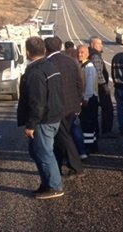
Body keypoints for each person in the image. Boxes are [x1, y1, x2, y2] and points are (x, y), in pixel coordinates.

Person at [17, 36, 65, 199]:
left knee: (44, 153)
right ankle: (47, 183)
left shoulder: (36, 72)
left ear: (28, 52)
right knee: (36, 151)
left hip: (44, 120)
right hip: (53, 115)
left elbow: (37, 102)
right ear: (44, 50)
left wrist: (31, 124)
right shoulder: (50, 66)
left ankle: (55, 186)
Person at [45, 36, 85, 177]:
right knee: (61, 137)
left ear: (46, 49)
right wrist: (79, 102)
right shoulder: (71, 61)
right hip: (72, 106)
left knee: (64, 137)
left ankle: (76, 167)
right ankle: (58, 163)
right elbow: (79, 83)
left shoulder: (48, 63)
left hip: (58, 107)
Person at [89, 36, 115, 138]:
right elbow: (98, 73)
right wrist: (105, 86)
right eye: (99, 44)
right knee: (107, 108)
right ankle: (106, 130)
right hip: (99, 87)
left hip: (95, 86)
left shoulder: (93, 54)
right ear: (93, 45)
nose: (101, 46)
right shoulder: (95, 56)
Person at [78, 44, 99, 155]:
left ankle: (89, 146)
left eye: (82, 52)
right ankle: (92, 145)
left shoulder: (88, 66)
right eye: (79, 52)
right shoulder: (82, 65)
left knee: (88, 124)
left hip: (90, 99)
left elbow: (89, 84)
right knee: (89, 123)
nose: (79, 54)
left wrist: (86, 98)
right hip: (88, 98)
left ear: (87, 54)